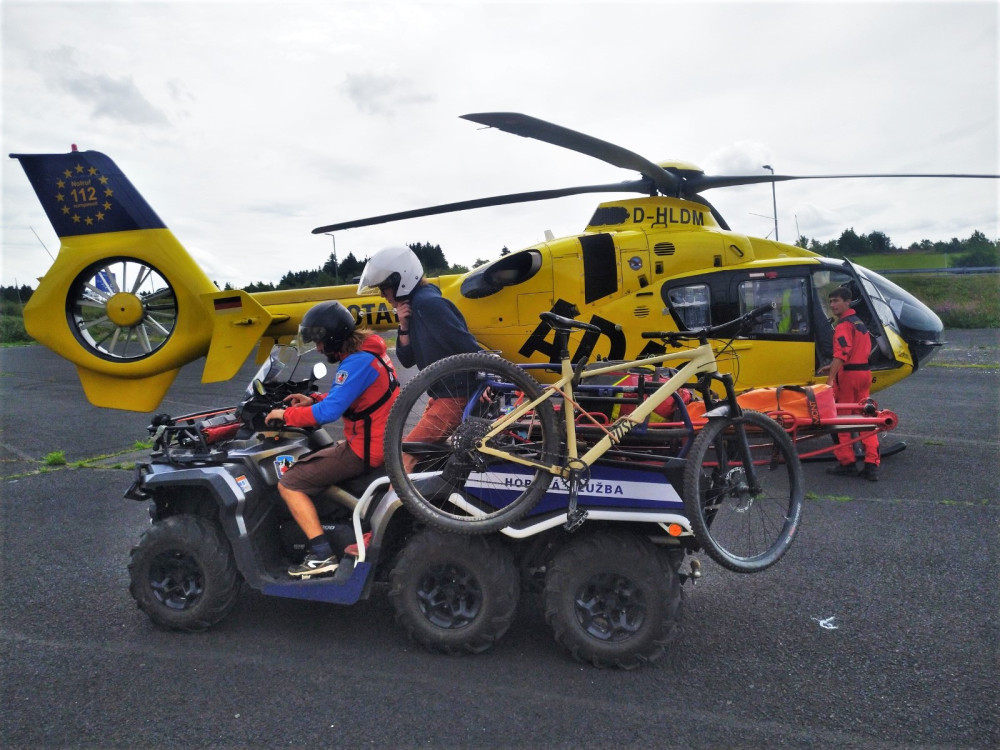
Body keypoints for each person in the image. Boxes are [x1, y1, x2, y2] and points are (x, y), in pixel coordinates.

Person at [266, 301, 398, 577]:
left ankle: (321, 555)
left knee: (290, 483)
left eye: (320, 341)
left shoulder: (357, 362)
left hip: (365, 450)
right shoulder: (369, 353)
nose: (318, 348)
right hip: (379, 441)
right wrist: (313, 399)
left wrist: (285, 414)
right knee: (323, 452)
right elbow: (353, 395)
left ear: (334, 338)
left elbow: (329, 413)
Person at [357, 246, 480, 471]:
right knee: (421, 454)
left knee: (405, 457)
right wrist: (403, 326)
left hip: (455, 397)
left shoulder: (429, 304)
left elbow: (467, 345)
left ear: (400, 281)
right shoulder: (415, 306)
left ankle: (396, 496)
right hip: (441, 395)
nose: (382, 295)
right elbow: (406, 359)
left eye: (384, 288)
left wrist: (487, 379)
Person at [822, 286, 880, 481]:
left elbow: (842, 353)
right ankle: (872, 464)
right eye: (831, 301)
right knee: (865, 417)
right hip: (864, 374)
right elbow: (856, 352)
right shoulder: (859, 323)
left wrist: (830, 379)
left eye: (836, 301)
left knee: (841, 420)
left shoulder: (843, 325)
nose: (833, 305)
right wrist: (832, 366)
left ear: (847, 302)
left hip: (849, 378)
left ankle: (847, 462)